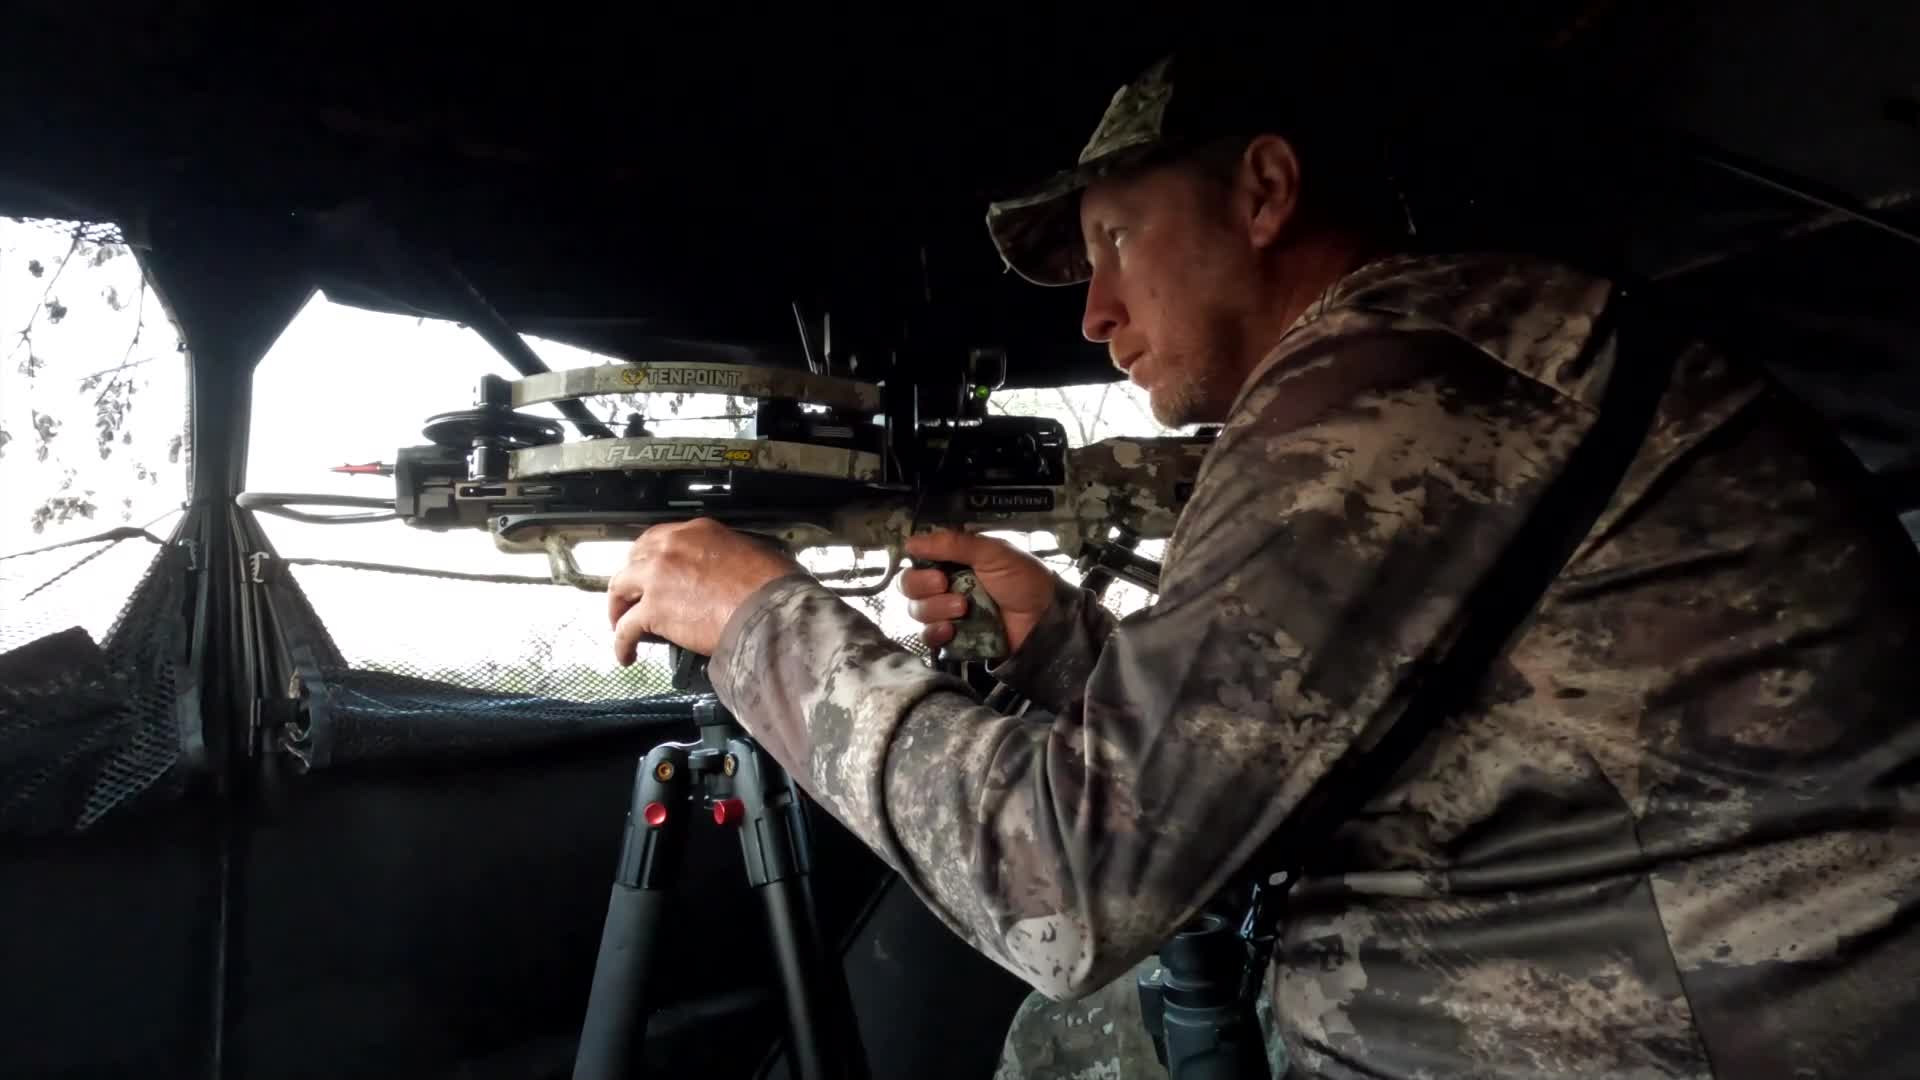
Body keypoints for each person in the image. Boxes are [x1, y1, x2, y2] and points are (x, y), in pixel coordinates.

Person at [606, 47, 1920, 1079]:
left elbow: (1070, 887)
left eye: (1116, 240)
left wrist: (763, 621)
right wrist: (1069, 646)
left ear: (1266, 191)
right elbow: (1344, 722)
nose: (1094, 312)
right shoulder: (1448, 356)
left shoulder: (1383, 403)